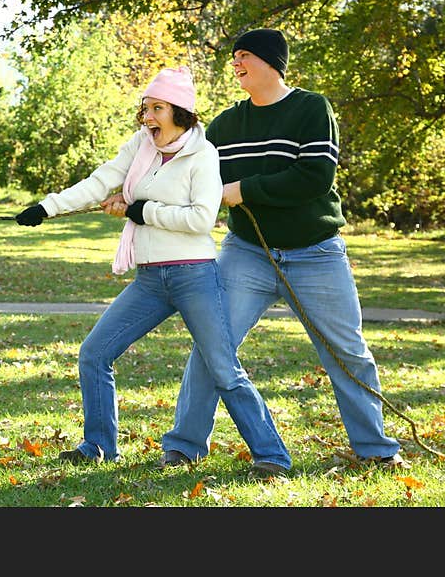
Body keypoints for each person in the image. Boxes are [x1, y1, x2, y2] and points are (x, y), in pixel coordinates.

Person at [15, 67, 291, 475]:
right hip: (150, 279)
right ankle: (98, 446)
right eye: (145, 108)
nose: (148, 117)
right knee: (95, 353)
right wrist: (47, 207)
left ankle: (272, 456)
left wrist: (142, 211)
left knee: (222, 368)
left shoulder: (204, 154)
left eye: (157, 108)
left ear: (180, 112)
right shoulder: (139, 147)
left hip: (194, 275)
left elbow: (201, 219)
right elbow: (99, 181)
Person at [160, 29, 403, 468]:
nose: (235, 63)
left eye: (244, 55)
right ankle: (183, 445)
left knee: (348, 352)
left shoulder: (312, 109)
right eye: (233, 56)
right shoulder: (225, 126)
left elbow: (314, 178)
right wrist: (137, 198)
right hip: (247, 253)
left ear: (272, 61)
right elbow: (185, 177)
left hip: (316, 253)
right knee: (212, 345)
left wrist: (241, 189)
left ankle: (376, 451)